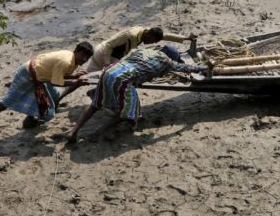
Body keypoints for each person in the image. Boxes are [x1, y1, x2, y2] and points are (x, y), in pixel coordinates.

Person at [66, 45, 208, 143]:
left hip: (109, 71)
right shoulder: (167, 62)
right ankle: (99, 131)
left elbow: (130, 61)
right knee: (130, 111)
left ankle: (74, 131)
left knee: (96, 104)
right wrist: (202, 68)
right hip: (123, 79)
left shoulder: (143, 51)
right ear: (171, 57)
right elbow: (185, 67)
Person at [0, 42, 94, 148]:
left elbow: (57, 75)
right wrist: (75, 81)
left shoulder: (73, 61)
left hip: (41, 77)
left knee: (54, 95)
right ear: (76, 51)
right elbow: (57, 81)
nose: (84, 60)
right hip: (28, 74)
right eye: (83, 55)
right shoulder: (65, 61)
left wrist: (74, 76)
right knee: (6, 103)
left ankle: (31, 118)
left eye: (87, 58)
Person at [58, 26, 197, 101]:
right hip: (105, 54)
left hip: (112, 56)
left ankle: (60, 97)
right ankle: (95, 93)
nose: (152, 44)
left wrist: (185, 38)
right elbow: (109, 46)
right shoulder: (130, 34)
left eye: (155, 43)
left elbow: (165, 35)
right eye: (152, 41)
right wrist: (107, 65)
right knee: (116, 77)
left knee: (85, 77)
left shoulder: (146, 31)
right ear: (149, 35)